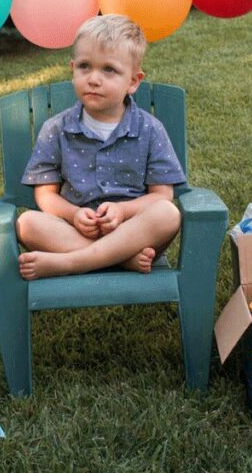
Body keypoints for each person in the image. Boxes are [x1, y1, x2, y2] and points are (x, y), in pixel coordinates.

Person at [17, 14, 184, 281]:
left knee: (168, 214)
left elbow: (162, 196)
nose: (94, 78)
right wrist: (73, 215)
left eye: (109, 70)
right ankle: (120, 261)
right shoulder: (56, 129)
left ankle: (72, 262)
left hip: (134, 234)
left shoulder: (150, 129)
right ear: (72, 68)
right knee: (27, 223)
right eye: (85, 66)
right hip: (77, 232)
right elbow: (45, 196)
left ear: (133, 81)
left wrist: (123, 211)